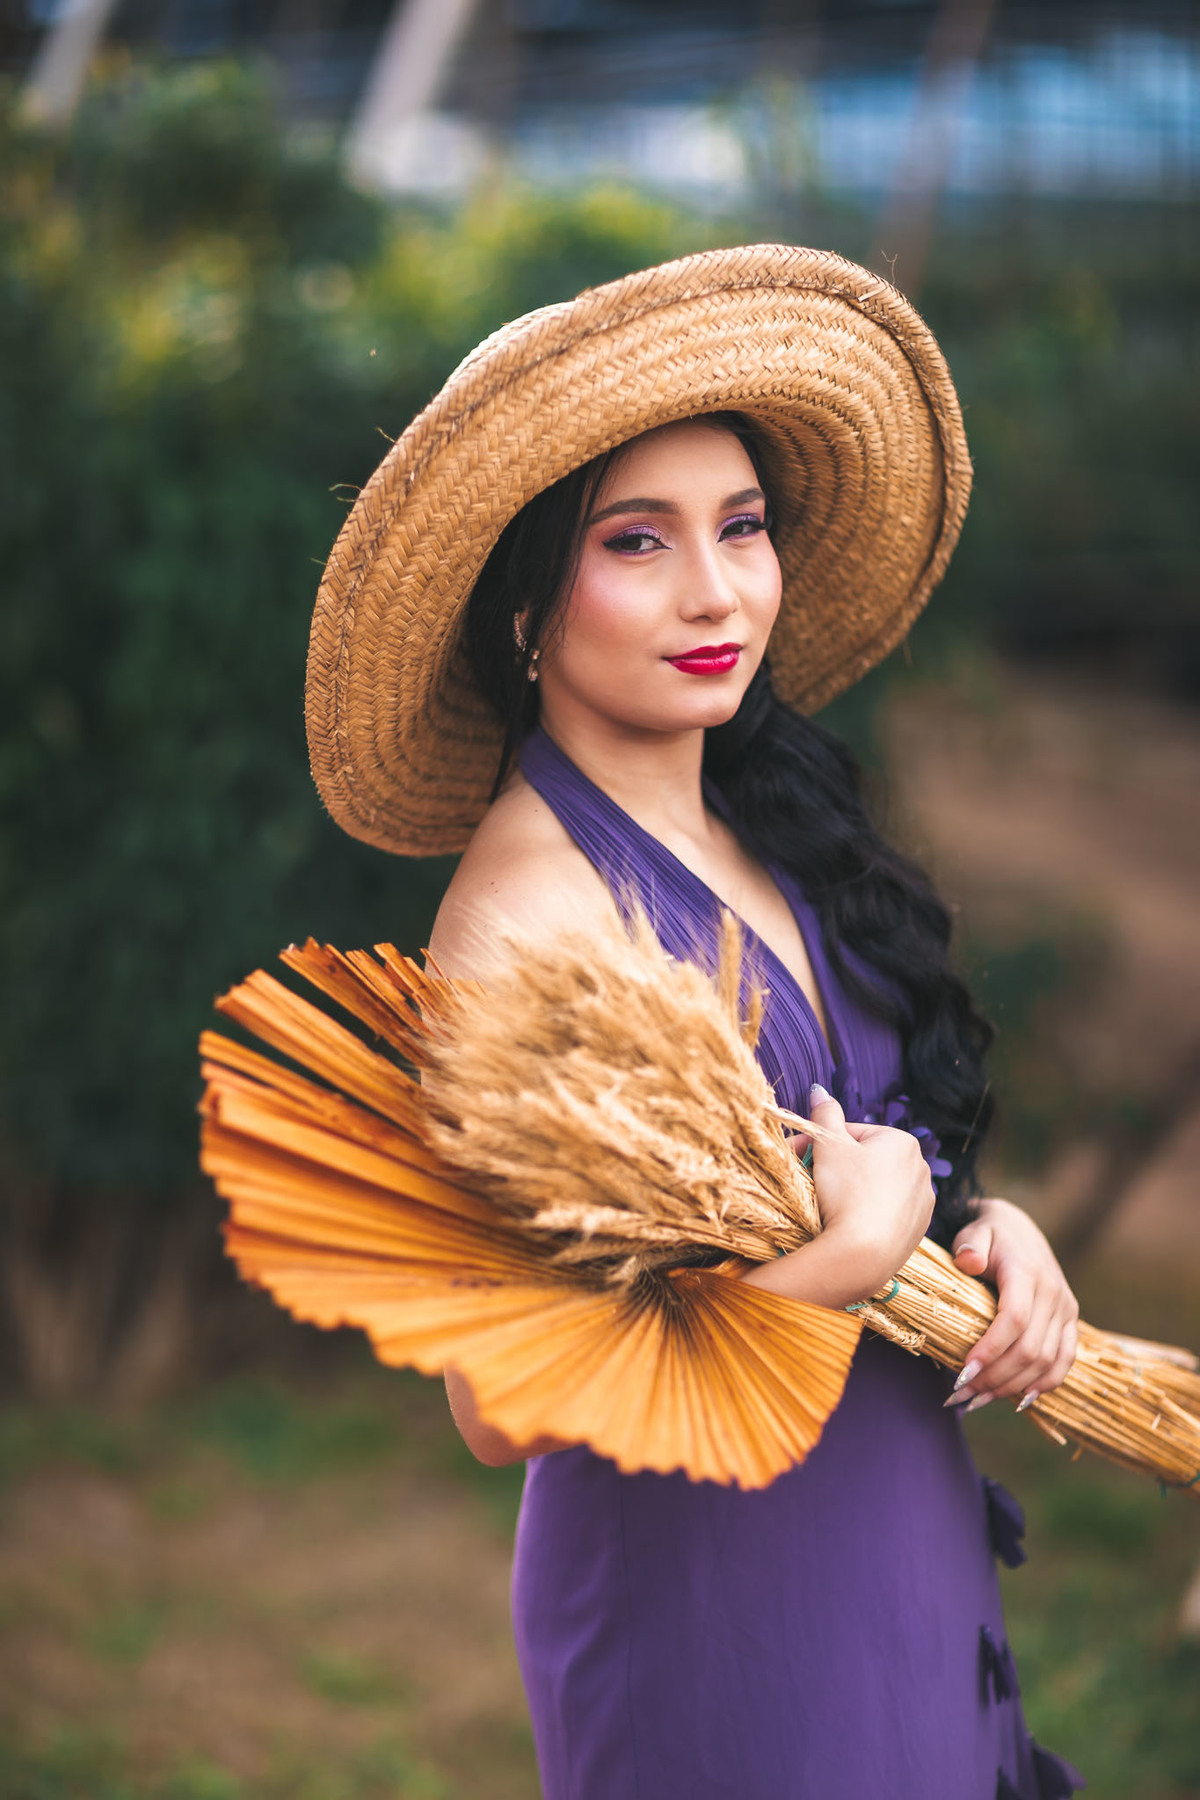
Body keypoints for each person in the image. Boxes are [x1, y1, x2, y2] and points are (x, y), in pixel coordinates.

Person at [304, 246, 1085, 1799]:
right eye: (637, 541)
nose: (716, 590)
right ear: (528, 602)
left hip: (892, 1518)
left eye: (741, 528)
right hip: (712, 1598)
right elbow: (498, 1401)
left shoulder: (765, 812)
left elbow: (878, 1135)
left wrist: (991, 1236)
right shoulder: (529, 917)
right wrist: (848, 1264)